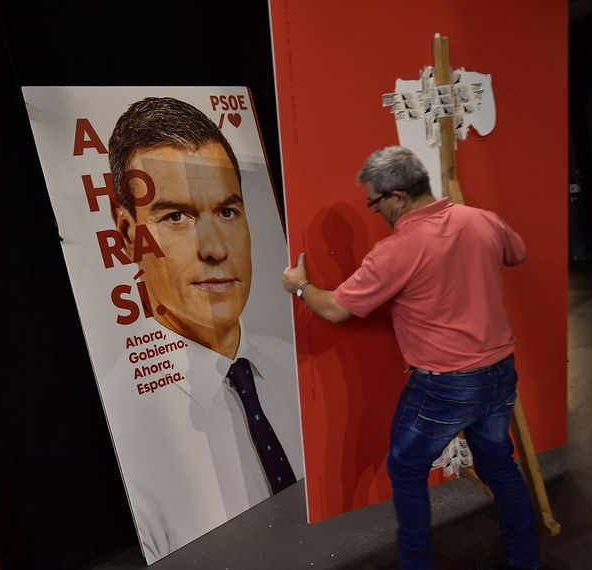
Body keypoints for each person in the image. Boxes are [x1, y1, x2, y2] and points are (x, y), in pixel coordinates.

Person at [281, 146, 540, 570]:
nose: (375, 212)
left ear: (398, 196)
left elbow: (333, 308)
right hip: (499, 373)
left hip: (445, 385)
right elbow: (517, 253)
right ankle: (525, 559)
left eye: (375, 202)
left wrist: (299, 285)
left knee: (405, 469)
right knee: (499, 464)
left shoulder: (396, 250)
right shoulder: (480, 219)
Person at [105, 97, 302, 563]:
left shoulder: (301, 365)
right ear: (128, 236)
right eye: (176, 216)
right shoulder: (124, 434)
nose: (214, 248)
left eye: (227, 212)